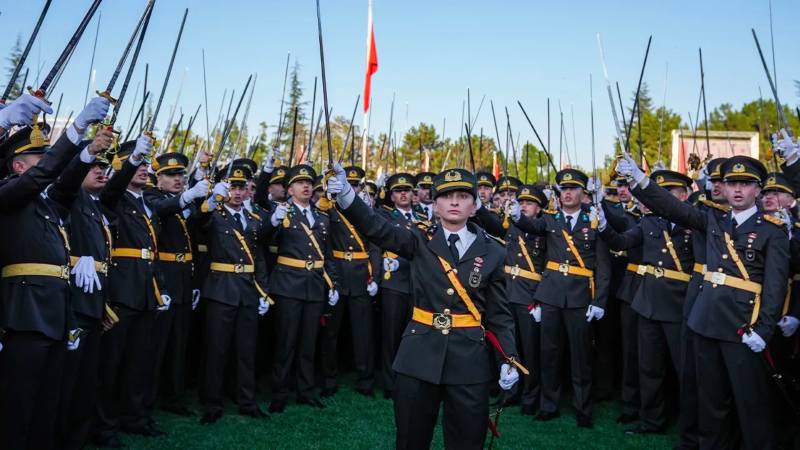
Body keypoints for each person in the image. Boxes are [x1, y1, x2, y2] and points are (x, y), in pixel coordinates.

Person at [328, 165, 520, 450]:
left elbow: (499, 314)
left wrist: (509, 358)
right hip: (418, 356)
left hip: (469, 361)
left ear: (474, 204)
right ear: (435, 204)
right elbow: (376, 227)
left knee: (467, 442)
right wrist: (346, 195)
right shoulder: (418, 239)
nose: (454, 202)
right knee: (410, 440)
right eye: (446, 196)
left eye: (462, 196)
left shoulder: (493, 250)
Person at [617, 153, 788, 449]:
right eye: (732, 183)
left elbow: (774, 287)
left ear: (758, 190)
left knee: (750, 401)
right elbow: (671, 207)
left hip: (742, 327)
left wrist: (764, 329)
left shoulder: (771, 231)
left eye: (745, 184)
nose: (737, 190)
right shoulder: (712, 219)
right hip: (705, 322)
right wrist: (640, 180)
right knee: (710, 400)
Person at [0, 94, 109, 449]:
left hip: (56, 311)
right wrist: (75, 129)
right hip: (25, 313)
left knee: (47, 403)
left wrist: (88, 152)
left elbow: (63, 182)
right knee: (19, 406)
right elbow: (46, 175)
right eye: (38, 158)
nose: (48, 164)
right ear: (18, 165)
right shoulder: (9, 192)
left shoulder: (47, 202)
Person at [509, 168, 611, 428]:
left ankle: (583, 408)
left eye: (573, 188)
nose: (567, 193)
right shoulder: (551, 220)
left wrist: (599, 301)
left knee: (581, 357)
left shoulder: (594, 221)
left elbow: (603, 266)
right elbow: (530, 224)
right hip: (551, 295)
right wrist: (516, 215)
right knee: (549, 354)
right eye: (563, 189)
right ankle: (548, 404)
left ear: (582, 193)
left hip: (579, 298)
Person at [597, 169, 695, 434]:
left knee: (686, 371)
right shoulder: (649, 222)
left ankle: (691, 427)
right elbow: (622, 241)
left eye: (668, 194)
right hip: (648, 302)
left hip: (679, 304)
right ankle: (651, 420)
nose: (659, 200)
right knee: (648, 367)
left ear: (683, 196)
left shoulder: (693, 224)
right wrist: (604, 226)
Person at [95, 134, 172, 444]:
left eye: (144, 165)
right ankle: (104, 425)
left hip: (145, 289)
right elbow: (113, 187)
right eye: (135, 165)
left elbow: (152, 251)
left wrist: (159, 287)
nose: (143, 170)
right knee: (113, 363)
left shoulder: (147, 202)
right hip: (122, 290)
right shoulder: (113, 196)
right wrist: (131, 161)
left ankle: (136, 416)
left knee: (140, 360)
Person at [48, 128, 116, 450]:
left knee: (87, 379)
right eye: (93, 166)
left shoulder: (95, 205)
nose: (101, 171)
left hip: (93, 301)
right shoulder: (71, 198)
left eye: (103, 167)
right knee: (68, 380)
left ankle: (79, 436)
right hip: (72, 300)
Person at [198, 165, 270, 424]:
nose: (237, 192)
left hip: (247, 291)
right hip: (221, 289)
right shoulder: (213, 215)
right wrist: (210, 198)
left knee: (246, 350)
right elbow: (197, 221)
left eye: (241, 187)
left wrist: (263, 291)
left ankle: (247, 401)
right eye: (232, 187)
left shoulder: (252, 220)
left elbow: (258, 258)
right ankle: (212, 403)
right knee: (217, 350)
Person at [265, 164, 339, 413]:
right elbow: (262, 239)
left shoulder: (321, 216)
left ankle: (305, 391)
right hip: (288, 284)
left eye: (309, 183)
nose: (306, 186)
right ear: (289, 189)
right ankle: (279, 392)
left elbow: (327, 255)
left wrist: (333, 283)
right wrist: (273, 221)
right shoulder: (282, 213)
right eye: (299, 183)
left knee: (309, 343)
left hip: (315, 285)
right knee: (286, 343)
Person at [144, 153, 208, 417]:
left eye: (181, 175)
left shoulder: (185, 203)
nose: (178, 179)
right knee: (157, 345)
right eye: (171, 175)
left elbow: (196, 230)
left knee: (178, 344)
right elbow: (163, 209)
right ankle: (148, 398)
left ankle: (174, 396)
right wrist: (189, 195)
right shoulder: (151, 196)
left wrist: (208, 202)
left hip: (183, 277)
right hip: (164, 277)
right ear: (157, 178)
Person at [476, 184, 547, 415]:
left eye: (529, 203)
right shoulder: (511, 226)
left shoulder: (545, 230)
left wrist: (541, 299)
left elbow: (549, 267)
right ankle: (510, 392)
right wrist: (478, 206)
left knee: (530, 350)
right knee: (508, 348)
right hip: (507, 292)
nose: (524, 206)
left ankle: (530, 396)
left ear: (539, 208)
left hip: (530, 295)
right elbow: (492, 224)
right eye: (522, 202)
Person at [321, 165, 380, 397]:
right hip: (337, 273)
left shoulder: (364, 211)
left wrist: (375, 276)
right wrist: (329, 278)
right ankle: (328, 378)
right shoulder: (329, 208)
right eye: (350, 184)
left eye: (356, 185)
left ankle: (365, 380)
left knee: (363, 333)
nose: (353, 188)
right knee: (331, 332)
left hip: (361, 276)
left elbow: (375, 246)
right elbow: (324, 245)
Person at [376, 173, 427, 399]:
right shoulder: (385, 215)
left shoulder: (422, 215)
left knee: (413, 335)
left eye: (407, 190)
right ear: (391, 195)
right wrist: (376, 276)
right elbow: (376, 245)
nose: (403, 193)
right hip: (394, 282)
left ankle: (409, 379)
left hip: (416, 282)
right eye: (398, 190)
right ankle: (389, 382)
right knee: (390, 335)